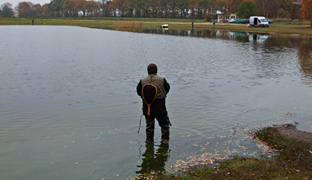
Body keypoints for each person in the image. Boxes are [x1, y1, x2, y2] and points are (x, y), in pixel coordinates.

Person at [137, 63, 171, 143]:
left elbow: (139, 92)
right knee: (165, 125)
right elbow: (167, 89)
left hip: (147, 109)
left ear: (147, 71)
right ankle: (165, 142)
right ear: (157, 71)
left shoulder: (142, 81)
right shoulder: (162, 80)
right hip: (160, 109)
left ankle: (149, 142)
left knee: (149, 127)